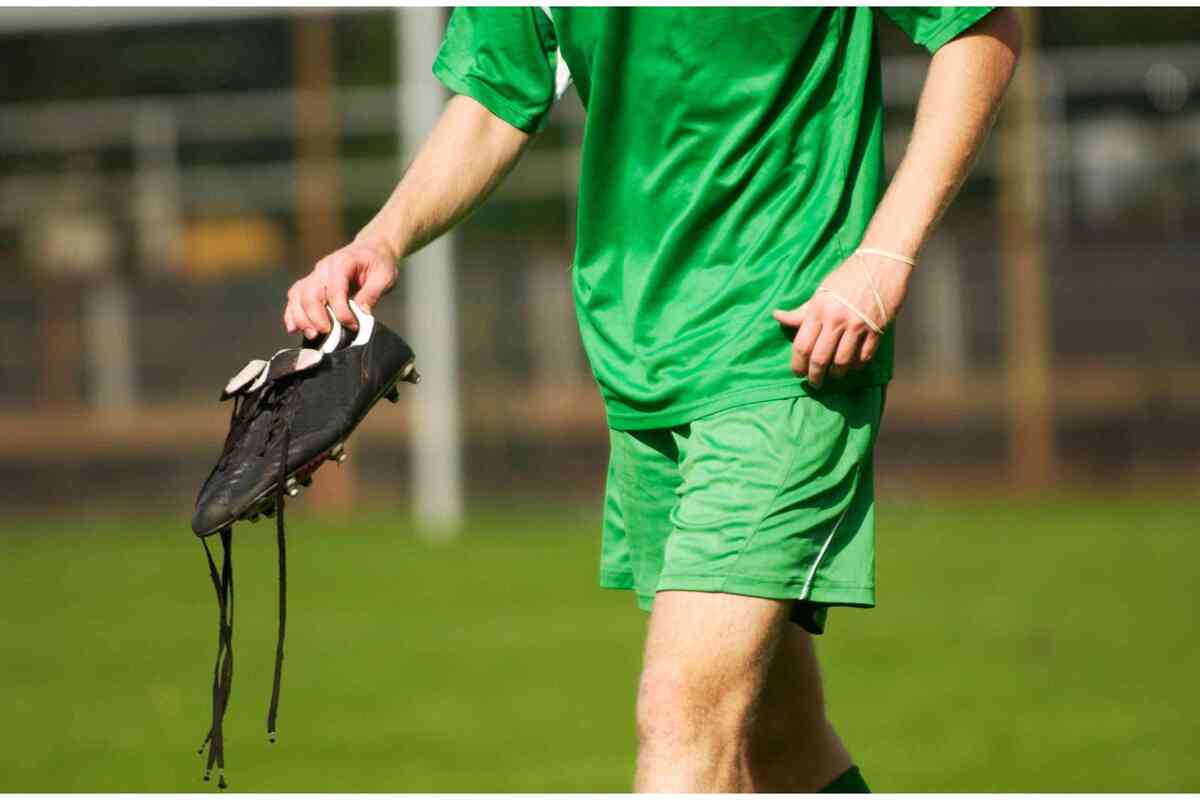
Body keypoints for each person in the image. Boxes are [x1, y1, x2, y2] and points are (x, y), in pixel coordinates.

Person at [283, 7, 1021, 792]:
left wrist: (884, 252)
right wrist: (383, 236)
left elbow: (980, 27)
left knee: (680, 721)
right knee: (778, 737)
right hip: (640, 361)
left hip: (788, 348)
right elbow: (501, 90)